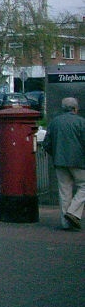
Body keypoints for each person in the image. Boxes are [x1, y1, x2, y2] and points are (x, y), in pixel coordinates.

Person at [43, 97, 85, 231]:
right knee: (83, 186)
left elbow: (46, 144)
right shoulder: (81, 122)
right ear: (75, 108)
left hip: (59, 162)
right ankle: (73, 213)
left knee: (64, 191)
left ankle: (66, 223)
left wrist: (56, 154)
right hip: (79, 161)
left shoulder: (55, 122)